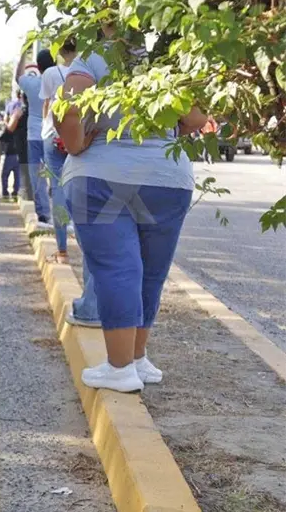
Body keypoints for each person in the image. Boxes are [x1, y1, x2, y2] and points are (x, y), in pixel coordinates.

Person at [56, 37, 207, 393]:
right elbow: (197, 117)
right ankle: (138, 358)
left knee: (116, 268)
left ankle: (120, 368)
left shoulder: (95, 56)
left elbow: (67, 109)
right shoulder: (173, 54)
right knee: (151, 270)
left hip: (101, 176)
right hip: (167, 178)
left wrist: (77, 145)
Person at [40, 41, 78, 265]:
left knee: (58, 191)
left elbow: (46, 103)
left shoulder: (51, 73)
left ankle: (62, 251)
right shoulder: (86, 70)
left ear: (59, 52)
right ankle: (83, 242)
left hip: (52, 135)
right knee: (79, 189)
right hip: (77, 134)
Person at [16, 46, 53, 227]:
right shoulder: (62, 81)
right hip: (56, 134)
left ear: (38, 66)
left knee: (37, 176)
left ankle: (44, 215)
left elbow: (18, 76)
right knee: (58, 175)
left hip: (34, 136)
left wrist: (24, 53)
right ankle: (63, 215)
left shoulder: (32, 84)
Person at [0, 96, 24, 200]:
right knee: (17, 176)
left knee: (5, 175)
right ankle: (15, 194)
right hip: (21, 153)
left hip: (11, 153)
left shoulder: (11, 126)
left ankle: (5, 193)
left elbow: (4, 137)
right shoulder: (25, 125)